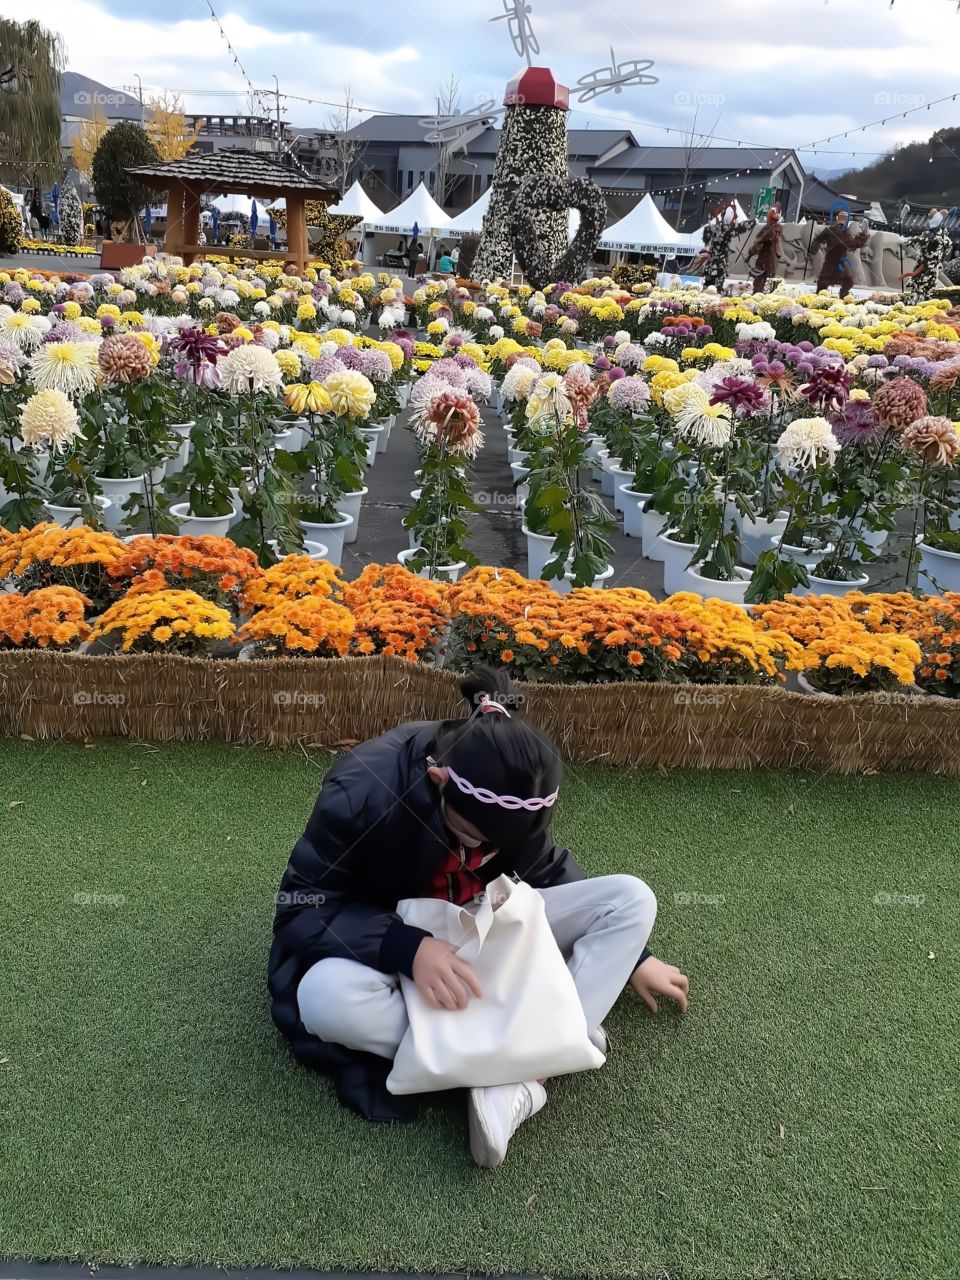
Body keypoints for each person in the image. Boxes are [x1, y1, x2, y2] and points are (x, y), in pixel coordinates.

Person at [268, 668, 689, 1168]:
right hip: (398, 945)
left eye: (504, 845)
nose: (487, 854)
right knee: (322, 997)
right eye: (473, 838)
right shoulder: (362, 790)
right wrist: (407, 948)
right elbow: (302, 905)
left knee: (631, 900)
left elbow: (546, 869)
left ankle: (510, 1073)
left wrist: (632, 958)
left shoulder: (511, 791)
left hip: (485, 929)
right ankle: (541, 1055)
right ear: (439, 781)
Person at [691, 204, 756, 290]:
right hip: (719, 264)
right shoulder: (728, 230)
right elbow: (742, 226)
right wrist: (754, 222)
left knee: (708, 286)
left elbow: (706, 236)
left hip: (711, 264)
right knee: (717, 287)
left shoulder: (713, 228)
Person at [810, 207, 869, 295]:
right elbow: (818, 239)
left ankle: (840, 294)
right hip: (832, 259)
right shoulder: (832, 231)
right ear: (838, 219)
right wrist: (813, 249)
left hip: (839, 260)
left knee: (845, 282)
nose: (843, 221)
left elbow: (853, 244)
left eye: (844, 219)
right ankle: (825, 295)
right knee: (825, 281)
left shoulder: (842, 233)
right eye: (842, 218)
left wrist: (813, 249)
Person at [902, 208, 953, 305]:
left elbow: (920, 241)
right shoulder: (946, 239)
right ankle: (923, 302)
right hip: (933, 266)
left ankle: (916, 304)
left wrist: (906, 240)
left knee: (921, 286)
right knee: (928, 286)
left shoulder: (931, 236)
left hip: (926, 265)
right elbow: (947, 249)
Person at [747, 205, 785, 294]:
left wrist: (751, 253)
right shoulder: (776, 228)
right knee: (767, 282)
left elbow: (759, 243)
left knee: (760, 283)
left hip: (765, 260)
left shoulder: (770, 229)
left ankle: (758, 297)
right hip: (771, 259)